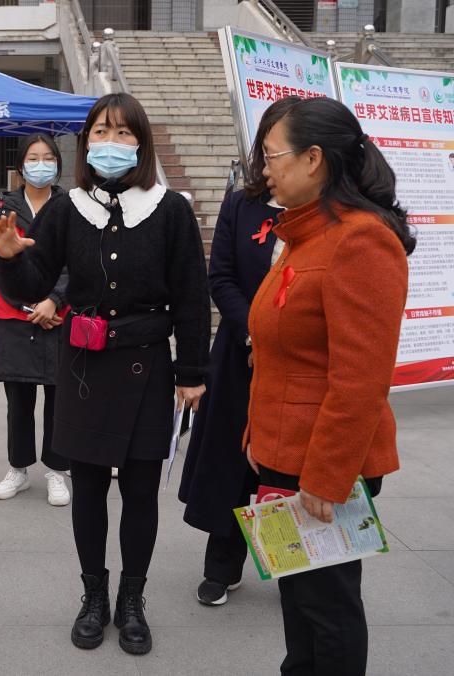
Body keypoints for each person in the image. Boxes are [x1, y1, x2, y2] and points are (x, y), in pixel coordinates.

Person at [0, 93, 210, 655]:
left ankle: (133, 600)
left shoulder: (170, 209)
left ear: (142, 142)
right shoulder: (68, 209)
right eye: (101, 132)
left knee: (139, 490)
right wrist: (10, 258)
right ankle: (94, 597)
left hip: (148, 364)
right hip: (83, 366)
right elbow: (34, 283)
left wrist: (192, 371)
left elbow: (191, 295)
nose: (111, 143)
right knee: (86, 486)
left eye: (123, 132)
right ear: (86, 142)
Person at [247, 96, 414, 675]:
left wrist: (326, 476)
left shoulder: (360, 241)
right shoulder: (306, 235)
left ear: (313, 158)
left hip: (321, 465)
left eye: (272, 156)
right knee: (299, 598)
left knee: (328, 609)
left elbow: (361, 378)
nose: (264, 169)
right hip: (284, 453)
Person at [177, 96, 298, 607]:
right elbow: (221, 276)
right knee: (232, 464)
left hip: (296, 365)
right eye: (268, 149)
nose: (271, 160)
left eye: (280, 150)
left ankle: (293, 569)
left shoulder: (328, 214)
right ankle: (222, 567)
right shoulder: (240, 203)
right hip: (238, 355)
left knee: (283, 468)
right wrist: (255, 331)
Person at [0, 132, 71, 507]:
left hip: (59, 316)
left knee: (59, 397)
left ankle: (57, 469)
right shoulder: (5, 207)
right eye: (33, 158)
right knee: (18, 399)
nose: (41, 164)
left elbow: (76, 263)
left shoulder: (68, 206)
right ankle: (18, 469)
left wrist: (54, 301)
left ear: (58, 164)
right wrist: (30, 307)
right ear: (20, 166)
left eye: (48, 157)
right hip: (15, 318)